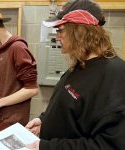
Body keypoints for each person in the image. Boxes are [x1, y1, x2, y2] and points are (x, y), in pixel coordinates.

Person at [25, 0, 125, 149]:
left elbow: (108, 145)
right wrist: (43, 121)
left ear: (79, 30)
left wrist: (46, 147)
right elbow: (68, 111)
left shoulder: (115, 75)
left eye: (60, 30)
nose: (57, 37)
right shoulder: (80, 65)